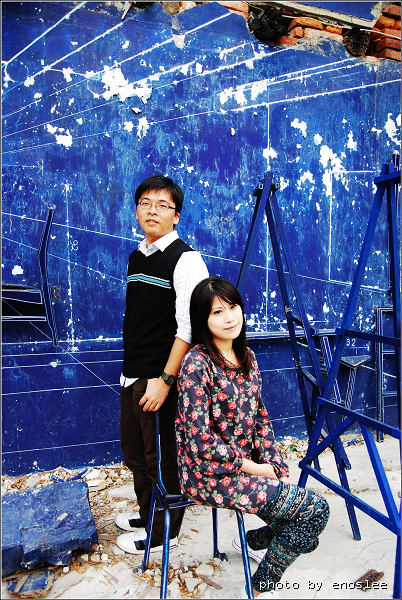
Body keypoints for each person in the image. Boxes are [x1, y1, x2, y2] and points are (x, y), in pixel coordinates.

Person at [175, 276, 330, 598]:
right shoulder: (196, 364)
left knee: (305, 532)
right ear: (203, 319)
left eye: (233, 307)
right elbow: (200, 440)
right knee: (314, 513)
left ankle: (250, 541)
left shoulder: (247, 356)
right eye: (217, 312)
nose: (229, 318)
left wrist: (275, 464)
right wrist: (256, 468)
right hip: (208, 475)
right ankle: (259, 589)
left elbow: (260, 419)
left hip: (245, 468)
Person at [116, 175, 209, 555]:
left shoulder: (186, 260)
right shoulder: (137, 256)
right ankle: (148, 512)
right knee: (135, 452)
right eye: (145, 203)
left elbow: (189, 329)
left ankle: (163, 532)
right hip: (133, 374)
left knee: (161, 456)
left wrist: (165, 380)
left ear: (177, 215)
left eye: (162, 205)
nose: (152, 211)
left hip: (159, 378)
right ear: (137, 210)